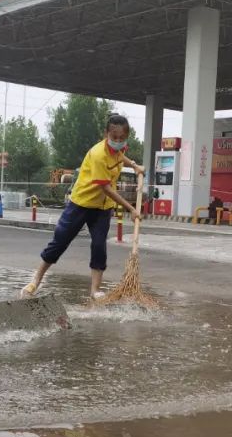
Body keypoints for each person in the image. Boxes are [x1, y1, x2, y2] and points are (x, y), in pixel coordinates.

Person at [21, 114, 143, 300]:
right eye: (114, 137)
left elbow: (120, 156)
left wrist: (134, 165)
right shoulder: (98, 154)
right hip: (81, 204)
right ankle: (36, 279)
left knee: (99, 246)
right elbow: (106, 188)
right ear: (106, 134)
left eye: (122, 138)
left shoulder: (119, 149)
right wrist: (131, 208)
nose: (118, 141)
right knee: (60, 241)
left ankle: (95, 291)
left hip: (102, 208)